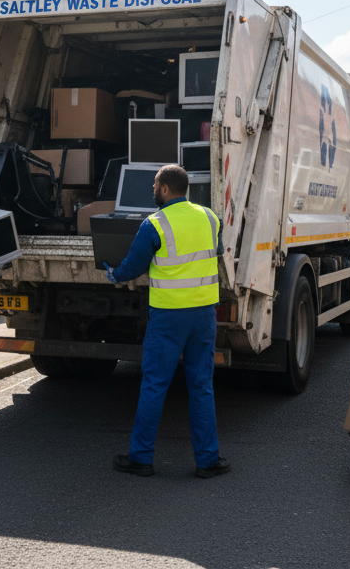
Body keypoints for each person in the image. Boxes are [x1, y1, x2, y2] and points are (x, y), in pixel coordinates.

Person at [105, 164, 231, 478]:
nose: (152, 190)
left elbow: (133, 266)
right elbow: (209, 253)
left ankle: (141, 459)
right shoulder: (209, 217)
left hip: (168, 317)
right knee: (201, 387)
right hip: (203, 315)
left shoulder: (154, 224)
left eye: (154, 185)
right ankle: (207, 461)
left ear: (164, 189)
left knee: (154, 386)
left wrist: (114, 274)